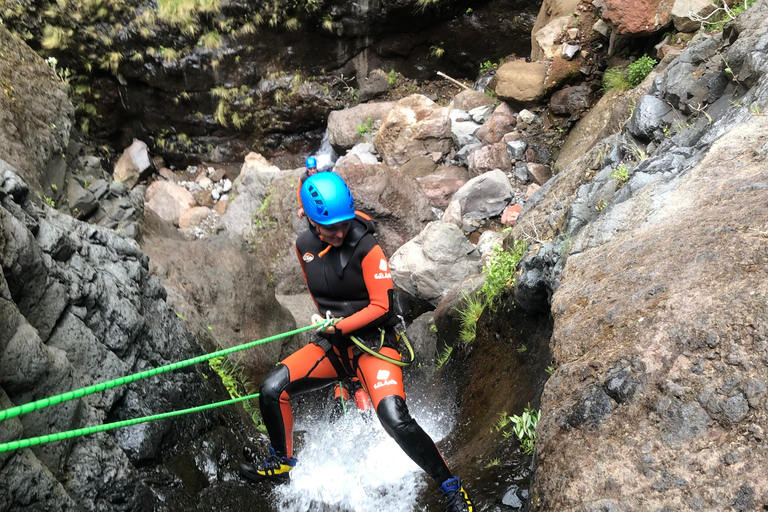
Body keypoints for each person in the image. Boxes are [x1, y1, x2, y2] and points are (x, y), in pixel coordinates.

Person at [240, 172, 474, 512]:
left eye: (343, 224)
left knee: (395, 419)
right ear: (309, 220)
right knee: (272, 389)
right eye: (329, 226)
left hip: (374, 345)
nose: (338, 232)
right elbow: (321, 295)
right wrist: (328, 329)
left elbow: (382, 306)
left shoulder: (367, 247)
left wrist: (340, 327)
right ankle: (281, 464)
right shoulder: (304, 247)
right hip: (334, 347)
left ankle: (452, 488)